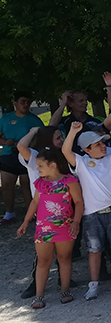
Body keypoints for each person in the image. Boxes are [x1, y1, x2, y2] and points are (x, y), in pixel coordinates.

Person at [62, 124, 111, 299]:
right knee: (94, 249)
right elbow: (66, 152)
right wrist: (72, 132)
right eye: (98, 145)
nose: (103, 146)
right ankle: (93, 284)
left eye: (103, 143)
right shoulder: (82, 163)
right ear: (87, 150)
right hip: (92, 214)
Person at [16, 149, 83, 309]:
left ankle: (65, 290)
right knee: (43, 261)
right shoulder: (40, 182)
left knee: (64, 258)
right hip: (43, 229)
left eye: (40, 166)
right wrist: (25, 221)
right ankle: (39, 295)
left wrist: (76, 222)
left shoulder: (70, 181)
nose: (37, 169)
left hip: (65, 227)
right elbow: (35, 202)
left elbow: (79, 202)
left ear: (52, 165)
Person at [0, 91, 44, 225]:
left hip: (26, 155)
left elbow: (42, 138)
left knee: (27, 184)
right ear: (15, 103)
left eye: (28, 102)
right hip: (8, 154)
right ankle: (9, 213)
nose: (26, 105)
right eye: (22, 102)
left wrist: (30, 144)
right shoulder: (6, 118)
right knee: (7, 184)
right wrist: (4, 142)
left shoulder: (34, 119)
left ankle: (31, 213)